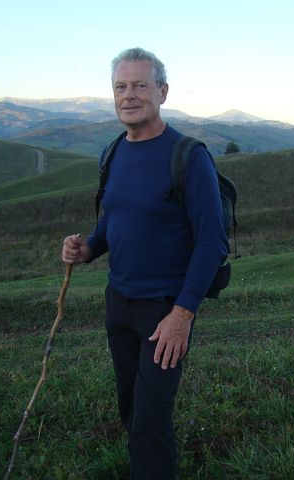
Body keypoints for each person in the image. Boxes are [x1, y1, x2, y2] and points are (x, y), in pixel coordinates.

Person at [61, 47, 228, 479]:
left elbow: (212, 242)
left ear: (163, 92)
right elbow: (114, 219)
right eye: (120, 86)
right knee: (131, 407)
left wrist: (182, 315)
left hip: (164, 309)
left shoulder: (188, 156)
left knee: (151, 420)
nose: (129, 95)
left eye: (140, 85)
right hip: (118, 302)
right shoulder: (113, 151)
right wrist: (88, 248)